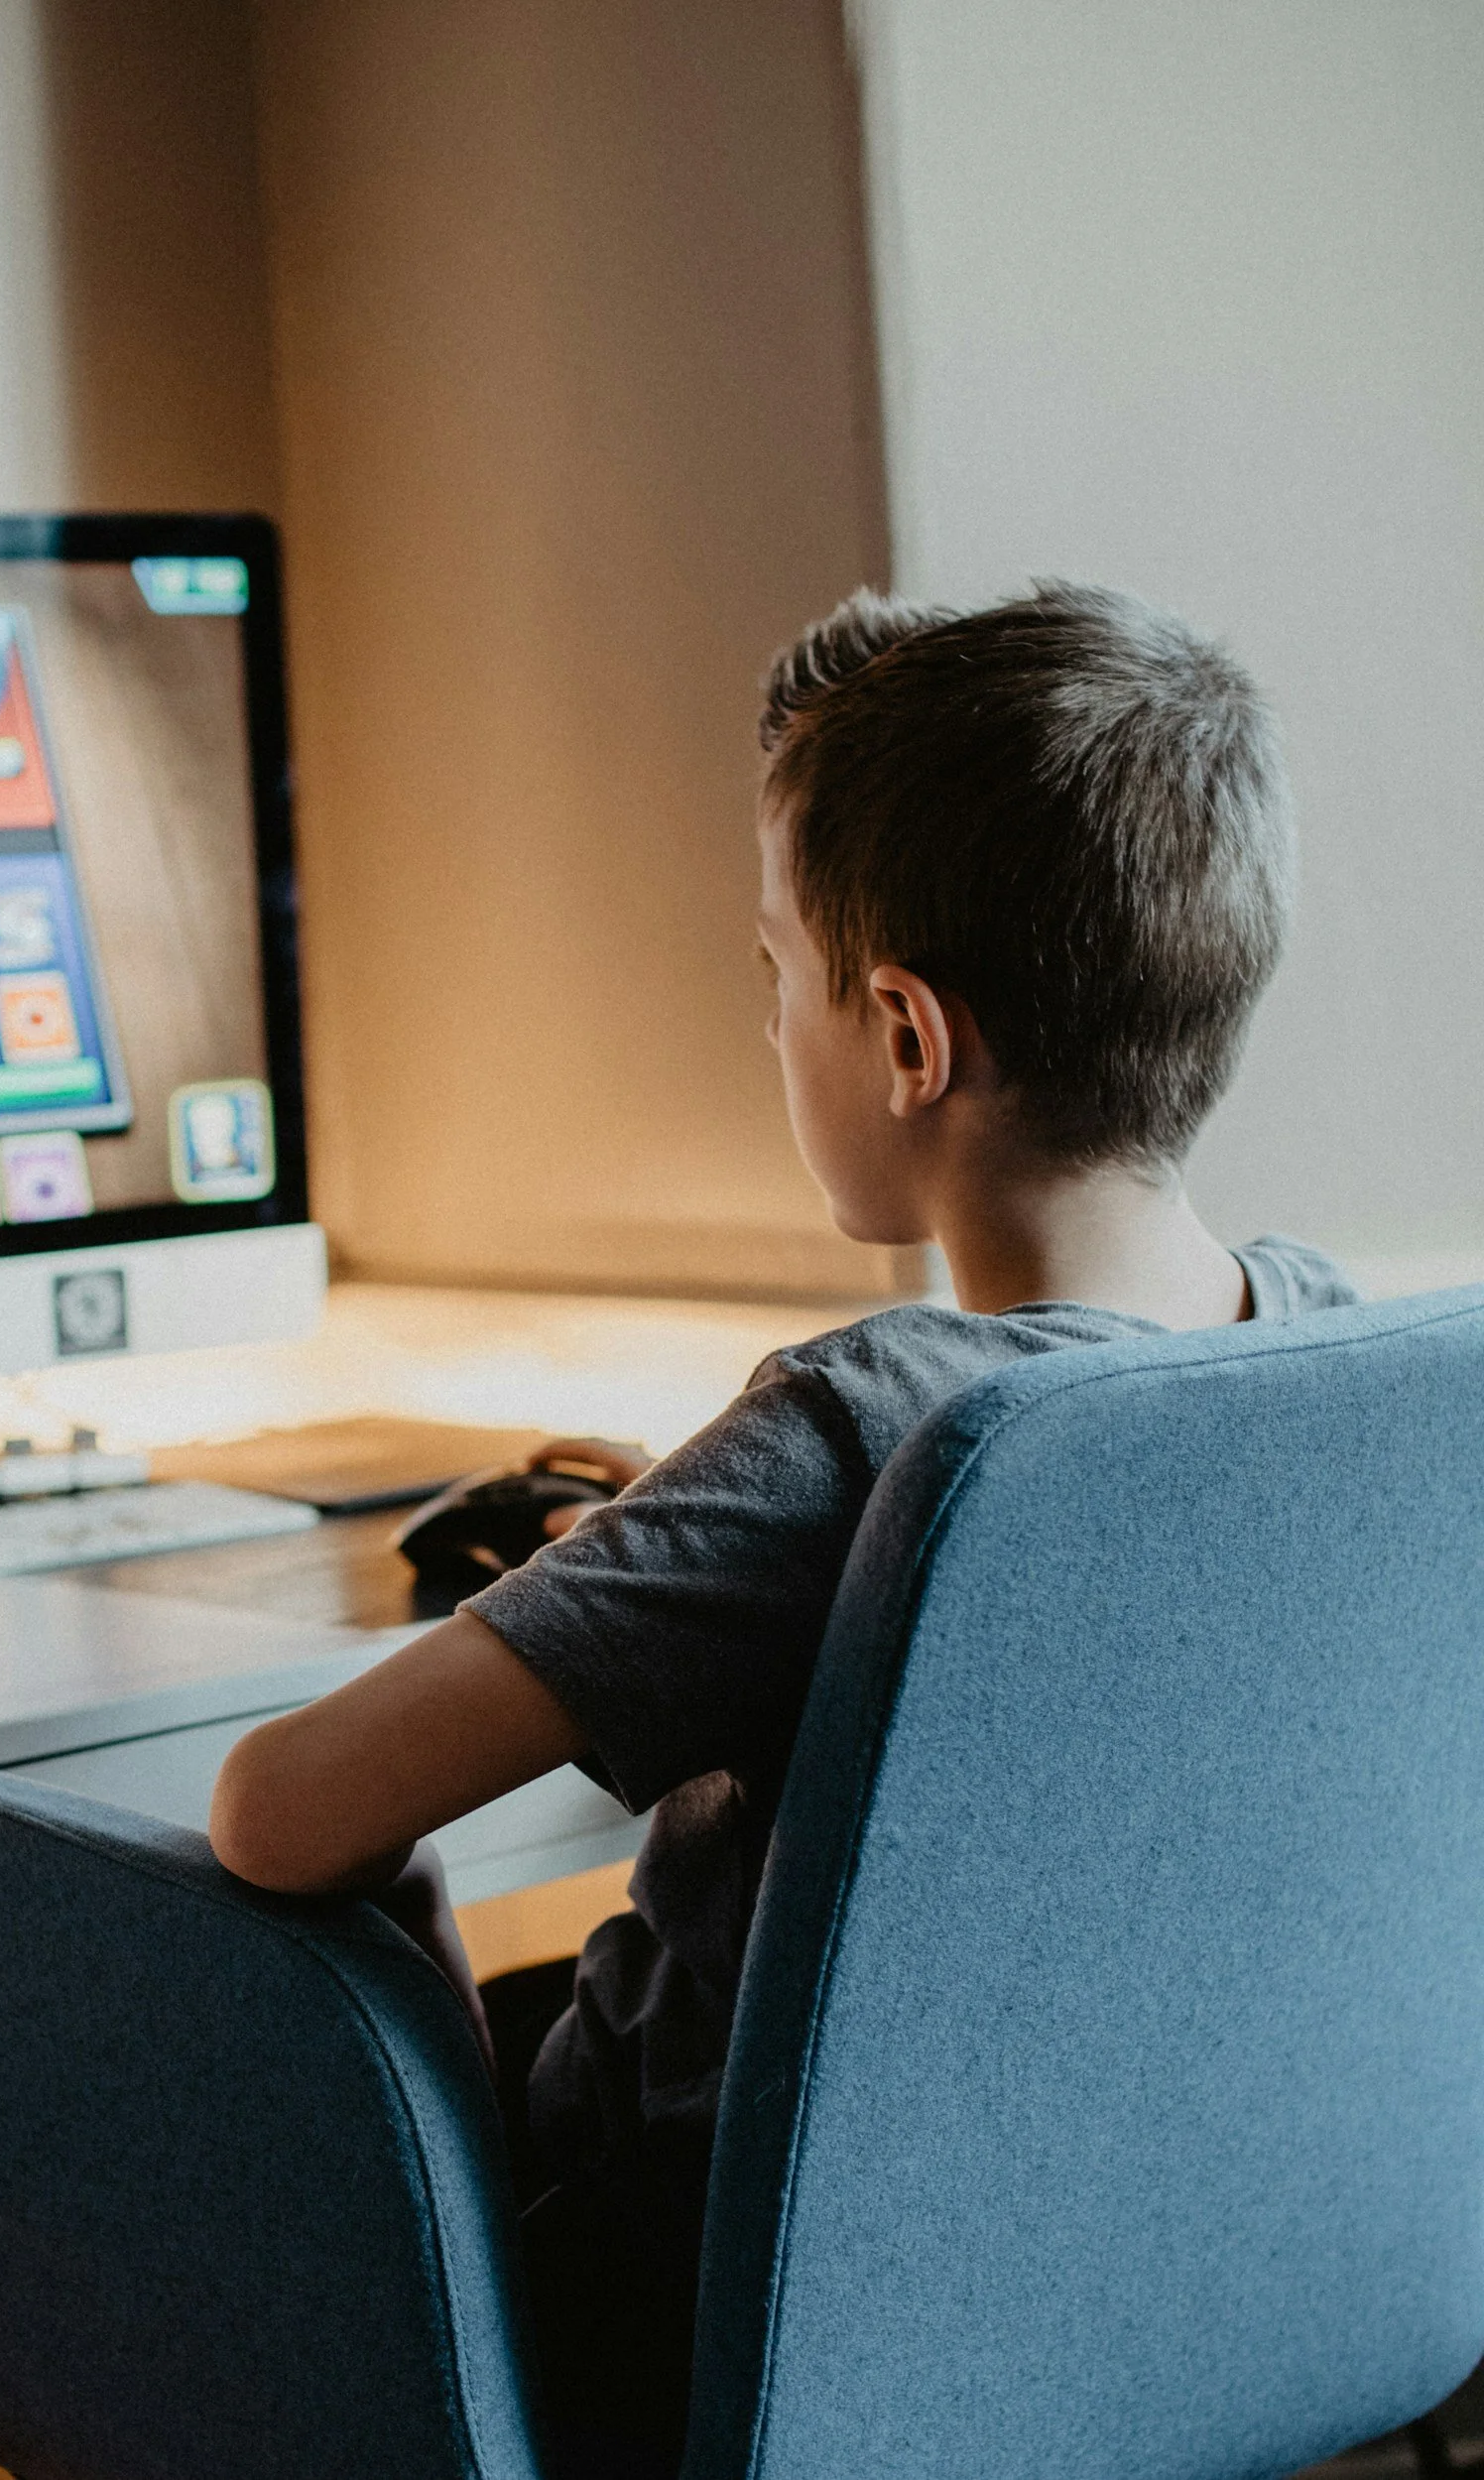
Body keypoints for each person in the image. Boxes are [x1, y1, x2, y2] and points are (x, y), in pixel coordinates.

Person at [208, 582, 1357, 2476]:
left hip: (678, 2303)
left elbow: (284, 1811)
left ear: (904, 1035)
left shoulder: (860, 1433)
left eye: (776, 972)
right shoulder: (1326, 1344)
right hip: (1107, 2284)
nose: (769, 1022)